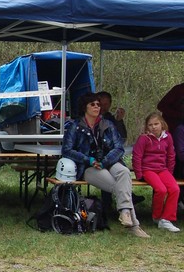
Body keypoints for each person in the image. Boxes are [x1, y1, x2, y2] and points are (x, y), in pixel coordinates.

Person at [62, 92, 149, 238]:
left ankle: (125, 213)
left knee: (124, 172)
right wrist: (88, 160)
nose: (97, 107)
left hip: (109, 162)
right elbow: (66, 150)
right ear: (84, 107)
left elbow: (119, 148)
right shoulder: (75, 126)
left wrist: (105, 162)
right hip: (89, 167)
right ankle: (134, 224)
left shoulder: (108, 124)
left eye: (98, 104)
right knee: (120, 187)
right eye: (93, 104)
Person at [132, 112, 180, 233]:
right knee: (161, 190)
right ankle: (157, 217)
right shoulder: (144, 138)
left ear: (162, 124)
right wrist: (139, 174)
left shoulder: (167, 137)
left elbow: (171, 155)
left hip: (163, 169)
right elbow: (137, 156)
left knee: (175, 189)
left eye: (156, 124)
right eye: (150, 125)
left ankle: (167, 219)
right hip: (148, 169)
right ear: (147, 126)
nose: (153, 127)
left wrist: (169, 172)